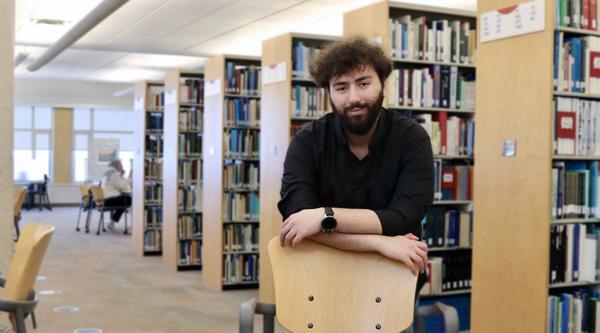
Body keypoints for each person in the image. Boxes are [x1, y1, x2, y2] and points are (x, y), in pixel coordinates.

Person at [277, 36, 433, 280]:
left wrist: (323, 217)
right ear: (328, 92)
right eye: (341, 87)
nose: (353, 98)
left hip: (393, 272)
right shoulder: (306, 142)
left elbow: (404, 218)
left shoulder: (413, 139)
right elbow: (298, 223)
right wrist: (379, 243)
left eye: (363, 83)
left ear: (383, 83)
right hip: (321, 272)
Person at [101, 159, 132, 231]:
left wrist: (121, 175)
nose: (122, 167)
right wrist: (130, 176)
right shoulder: (114, 174)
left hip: (105, 200)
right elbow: (122, 186)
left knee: (125, 201)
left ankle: (112, 222)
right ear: (117, 166)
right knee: (130, 200)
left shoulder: (107, 173)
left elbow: (116, 184)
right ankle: (132, 226)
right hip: (110, 200)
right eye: (121, 165)